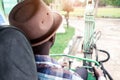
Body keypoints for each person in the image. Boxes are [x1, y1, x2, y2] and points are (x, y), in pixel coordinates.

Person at [9, 0, 106, 80]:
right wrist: (101, 76)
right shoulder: (71, 77)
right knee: (83, 70)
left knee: (82, 71)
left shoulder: (8, 69)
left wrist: (56, 66)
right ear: (52, 37)